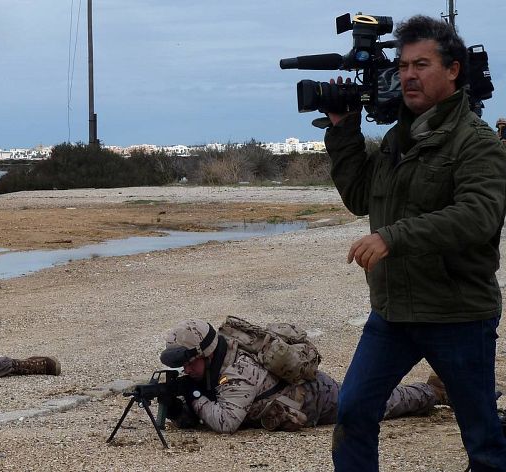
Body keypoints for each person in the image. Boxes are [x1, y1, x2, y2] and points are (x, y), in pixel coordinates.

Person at [322, 15, 506, 471]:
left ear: (453, 70)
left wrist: (392, 236)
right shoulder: (395, 140)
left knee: (481, 436)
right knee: (353, 412)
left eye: (421, 64)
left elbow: (478, 215)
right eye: (403, 65)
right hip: (393, 312)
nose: (408, 75)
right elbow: (361, 198)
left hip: (457, 313)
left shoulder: (477, 142)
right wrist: (342, 129)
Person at [159, 319, 447, 434]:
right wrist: (176, 408)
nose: (185, 370)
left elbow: (225, 422)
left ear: (207, 355)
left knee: (380, 404)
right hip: (299, 391)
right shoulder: (221, 351)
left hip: (315, 399)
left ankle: (434, 392)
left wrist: (193, 394)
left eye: (189, 363)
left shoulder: (237, 372)